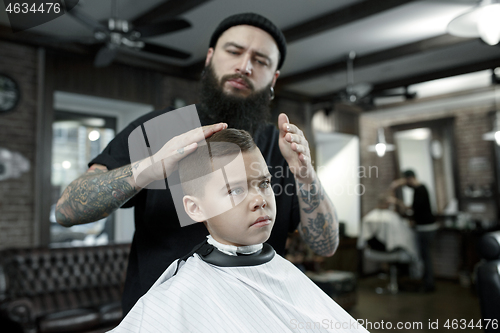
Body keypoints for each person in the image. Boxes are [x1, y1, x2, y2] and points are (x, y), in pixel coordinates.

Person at [55, 13, 339, 315]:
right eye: (234, 51)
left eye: (261, 60)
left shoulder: (282, 146)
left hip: (254, 316)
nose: (245, 66)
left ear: (274, 79)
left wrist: (306, 175)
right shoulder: (157, 131)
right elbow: (66, 209)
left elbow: (326, 246)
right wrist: (149, 168)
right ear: (210, 58)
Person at [109, 129, 368, 333]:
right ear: (195, 209)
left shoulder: (285, 273)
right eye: (235, 190)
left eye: (264, 183)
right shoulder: (177, 296)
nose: (260, 199)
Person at [390, 169, 438, 292]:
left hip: (425, 228)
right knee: (425, 256)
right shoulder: (420, 189)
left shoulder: (420, 190)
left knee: (425, 256)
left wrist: (397, 202)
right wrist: (398, 184)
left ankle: (428, 285)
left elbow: (413, 208)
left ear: (410, 178)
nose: (406, 184)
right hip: (426, 227)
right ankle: (427, 283)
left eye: (406, 181)